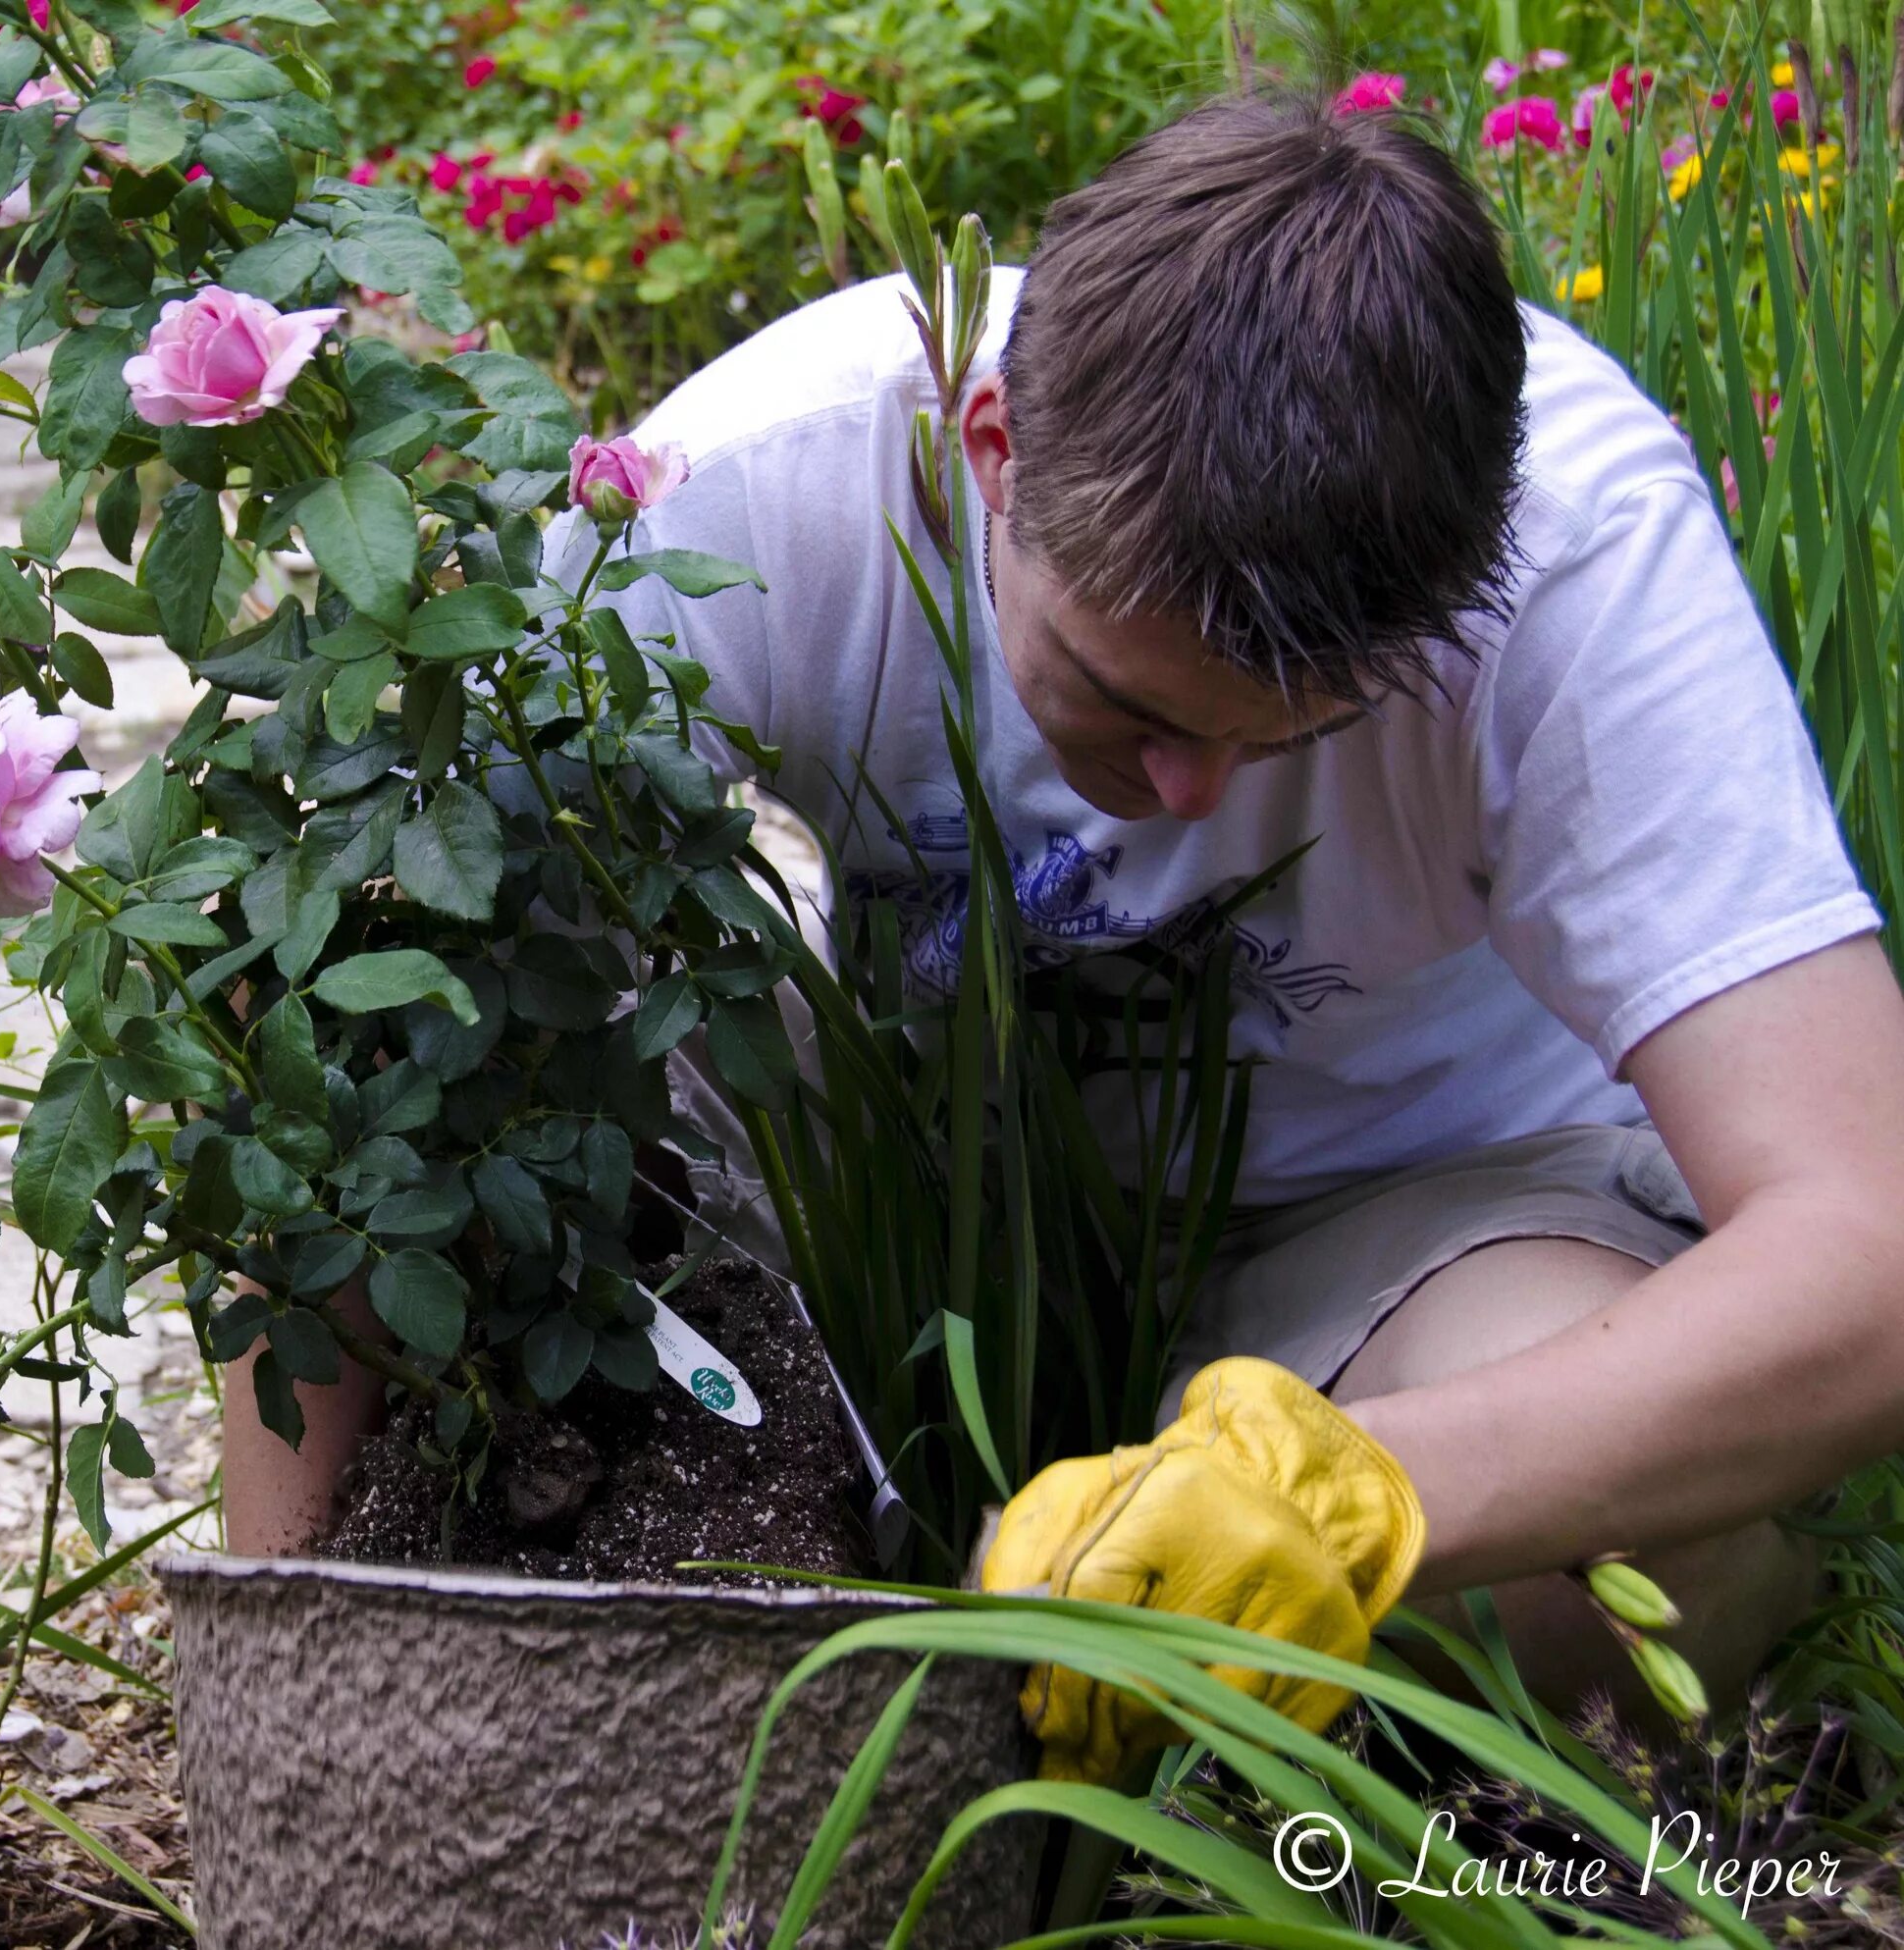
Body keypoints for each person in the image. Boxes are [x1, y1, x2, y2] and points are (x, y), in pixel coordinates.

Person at [222, 92, 1904, 1782]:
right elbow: (385, 1041)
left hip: (1413, 1237)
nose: (1190, 797)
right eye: (1126, 702)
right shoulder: (769, 477)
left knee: (1617, 1595)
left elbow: (1874, 1248)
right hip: (907, 1189)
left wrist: (1359, 1499)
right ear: (991, 441)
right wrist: (276, 1671)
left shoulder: (1584, 549)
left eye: (1298, 730)